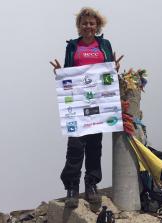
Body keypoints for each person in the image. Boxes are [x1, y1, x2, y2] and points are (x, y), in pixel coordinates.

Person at [50, 7, 123, 208]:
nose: (88, 26)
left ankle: (91, 185)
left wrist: (113, 69)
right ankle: (72, 187)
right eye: (84, 23)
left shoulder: (104, 44)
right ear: (79, 27)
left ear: (97, 26)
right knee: (75, 145)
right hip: (77, 104)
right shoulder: (73, 46)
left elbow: (108, 72)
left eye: (92, 23)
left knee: (94, 146)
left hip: (99, 104)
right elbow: (68, 72)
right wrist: (60, 73)